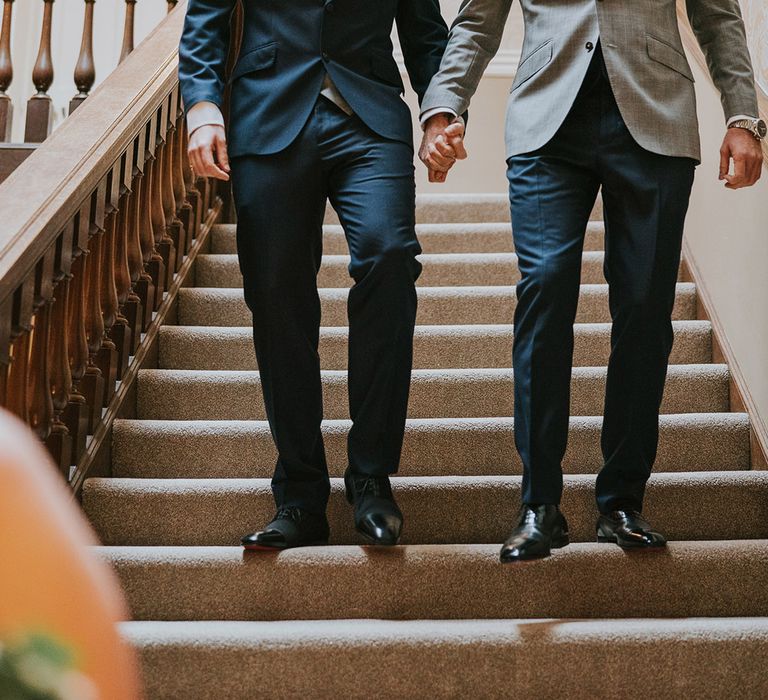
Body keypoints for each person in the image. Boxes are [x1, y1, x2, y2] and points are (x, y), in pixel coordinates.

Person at [419, 0, 764, 562]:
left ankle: (622, 500)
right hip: (545, 120)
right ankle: (539, 505)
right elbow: (478, 19)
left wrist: (742, 117)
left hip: (656, 114)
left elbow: (718, 16)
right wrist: (444, 105)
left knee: (646, 306)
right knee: (545, 287)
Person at [178, 1, 452, 550]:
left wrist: (441, 113)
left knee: (390, 256)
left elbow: (425, 34)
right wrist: (203, 106)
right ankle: (301, 494)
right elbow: (205, 19)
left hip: (370, 115)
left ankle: (371, 477)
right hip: (267, 111)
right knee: (276, 293)